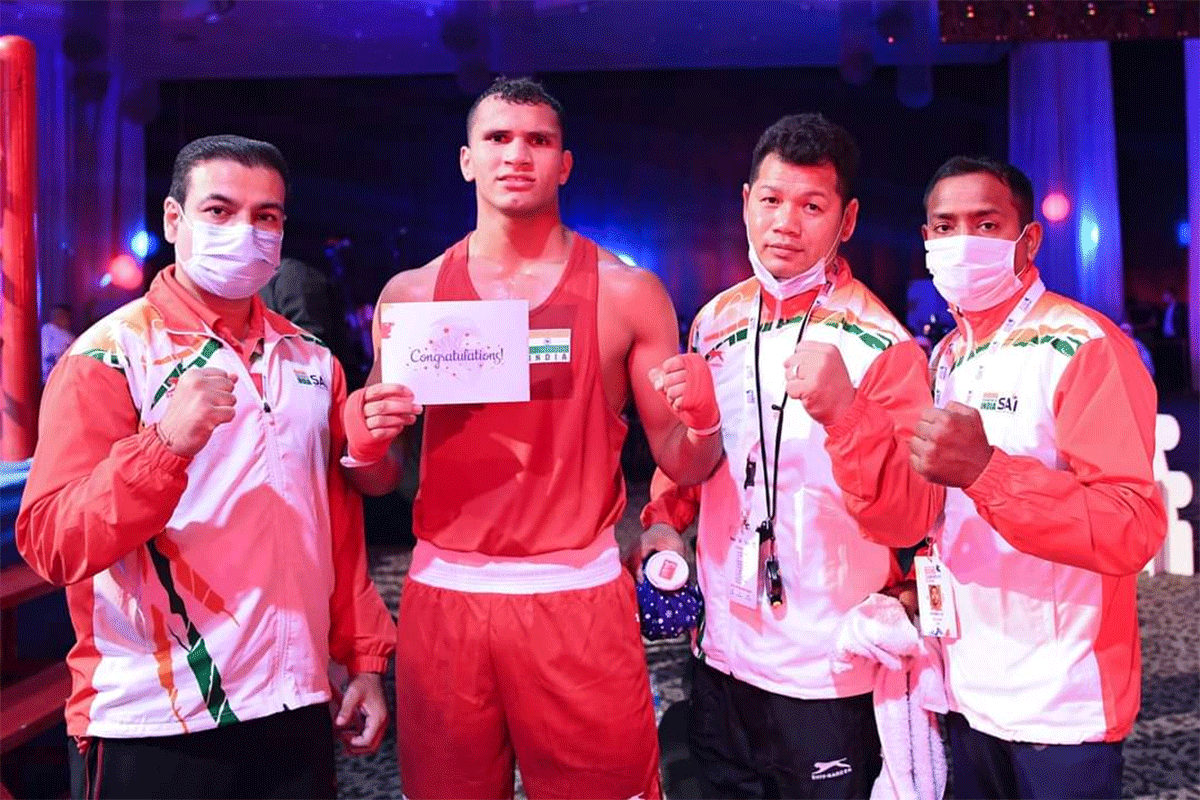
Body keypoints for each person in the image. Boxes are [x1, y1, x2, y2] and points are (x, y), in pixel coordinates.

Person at [342, 77, 723, 799]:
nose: (517, 155)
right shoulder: (412, 295)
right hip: (444, 596)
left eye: (538, 140)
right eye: (497, 138)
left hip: (575, 596)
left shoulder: (627, 291)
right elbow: (380, 478)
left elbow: (682, 459)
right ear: (466, 159)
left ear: (565, 163)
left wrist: (702, 421)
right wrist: (364, 446)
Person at [16, 134, 396, 800]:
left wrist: (361, 660)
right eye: (219, 211)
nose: (246, 232)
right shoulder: (107, 356)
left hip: (292, 702)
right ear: (173, 220)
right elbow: (52, 542)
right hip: (154, 717)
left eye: (267, 217)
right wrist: (164, 444)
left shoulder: (313, 362)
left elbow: (335, 531)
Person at [639, 113, 943, 798]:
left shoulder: (883, 345)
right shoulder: (714, 321)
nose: (786, 222)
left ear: (848, 218)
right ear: (746, 201)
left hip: (825, 667)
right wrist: (663, 515)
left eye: (812, 206)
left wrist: (846, 412)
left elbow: (907, 517)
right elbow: (700, 461)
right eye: (772, 200)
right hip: (720, 655)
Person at [909, 155, 1167, 799]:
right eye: (944, 226)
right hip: (966, 682)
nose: (961, 241)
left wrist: (987, 471)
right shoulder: (947, 355)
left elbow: (1130, 526)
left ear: (1027, 239)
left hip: (1062, 699)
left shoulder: (1082, 345)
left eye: (985, 223)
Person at [41, 302, 75, 381]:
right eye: (57, 315)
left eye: (66, 317)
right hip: (46, 374)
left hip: (61, 375)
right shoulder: (46, 330)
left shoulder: (69, 337)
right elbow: (47, 353)